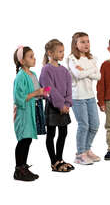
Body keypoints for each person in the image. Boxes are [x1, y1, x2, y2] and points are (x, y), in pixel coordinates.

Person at [40, 39, 74, 172]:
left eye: (63, 51)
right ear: (50, 52)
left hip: (64, 107)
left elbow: (68, 89)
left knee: (63, 132)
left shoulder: (64, 70)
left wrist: (67, 104)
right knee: (51, 134)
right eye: (59, 51)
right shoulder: (46, 70)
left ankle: (60, 159)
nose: (62, 54)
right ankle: (53, 161)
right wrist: (60, 105)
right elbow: (48, 89)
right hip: (53, 107)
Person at [67, 32, 101, 165]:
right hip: (78, 97)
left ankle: (87, 149)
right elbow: (78, 74)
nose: (86, 44)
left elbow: (98, 76)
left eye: (87, 41)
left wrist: (87, 71)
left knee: (95, 125)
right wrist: (90, 71)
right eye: (82, 42)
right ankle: (80, 154)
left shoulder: (91, 58)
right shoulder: (72, 58)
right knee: (84, 125)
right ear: (76, 44)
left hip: (90, 96)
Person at [13, 45, 46, 181]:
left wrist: (43, 93)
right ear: (22, 60)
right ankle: (18, 170)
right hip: (24, 112)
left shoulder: (33, 74)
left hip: (33, 110)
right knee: (24, 140)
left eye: (34, 56)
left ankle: (23, 167)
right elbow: (18, 98)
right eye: (30, 56)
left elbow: (37, 93)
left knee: (28, 140)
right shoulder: (20, 76)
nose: (34, 59)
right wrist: (36, 93)